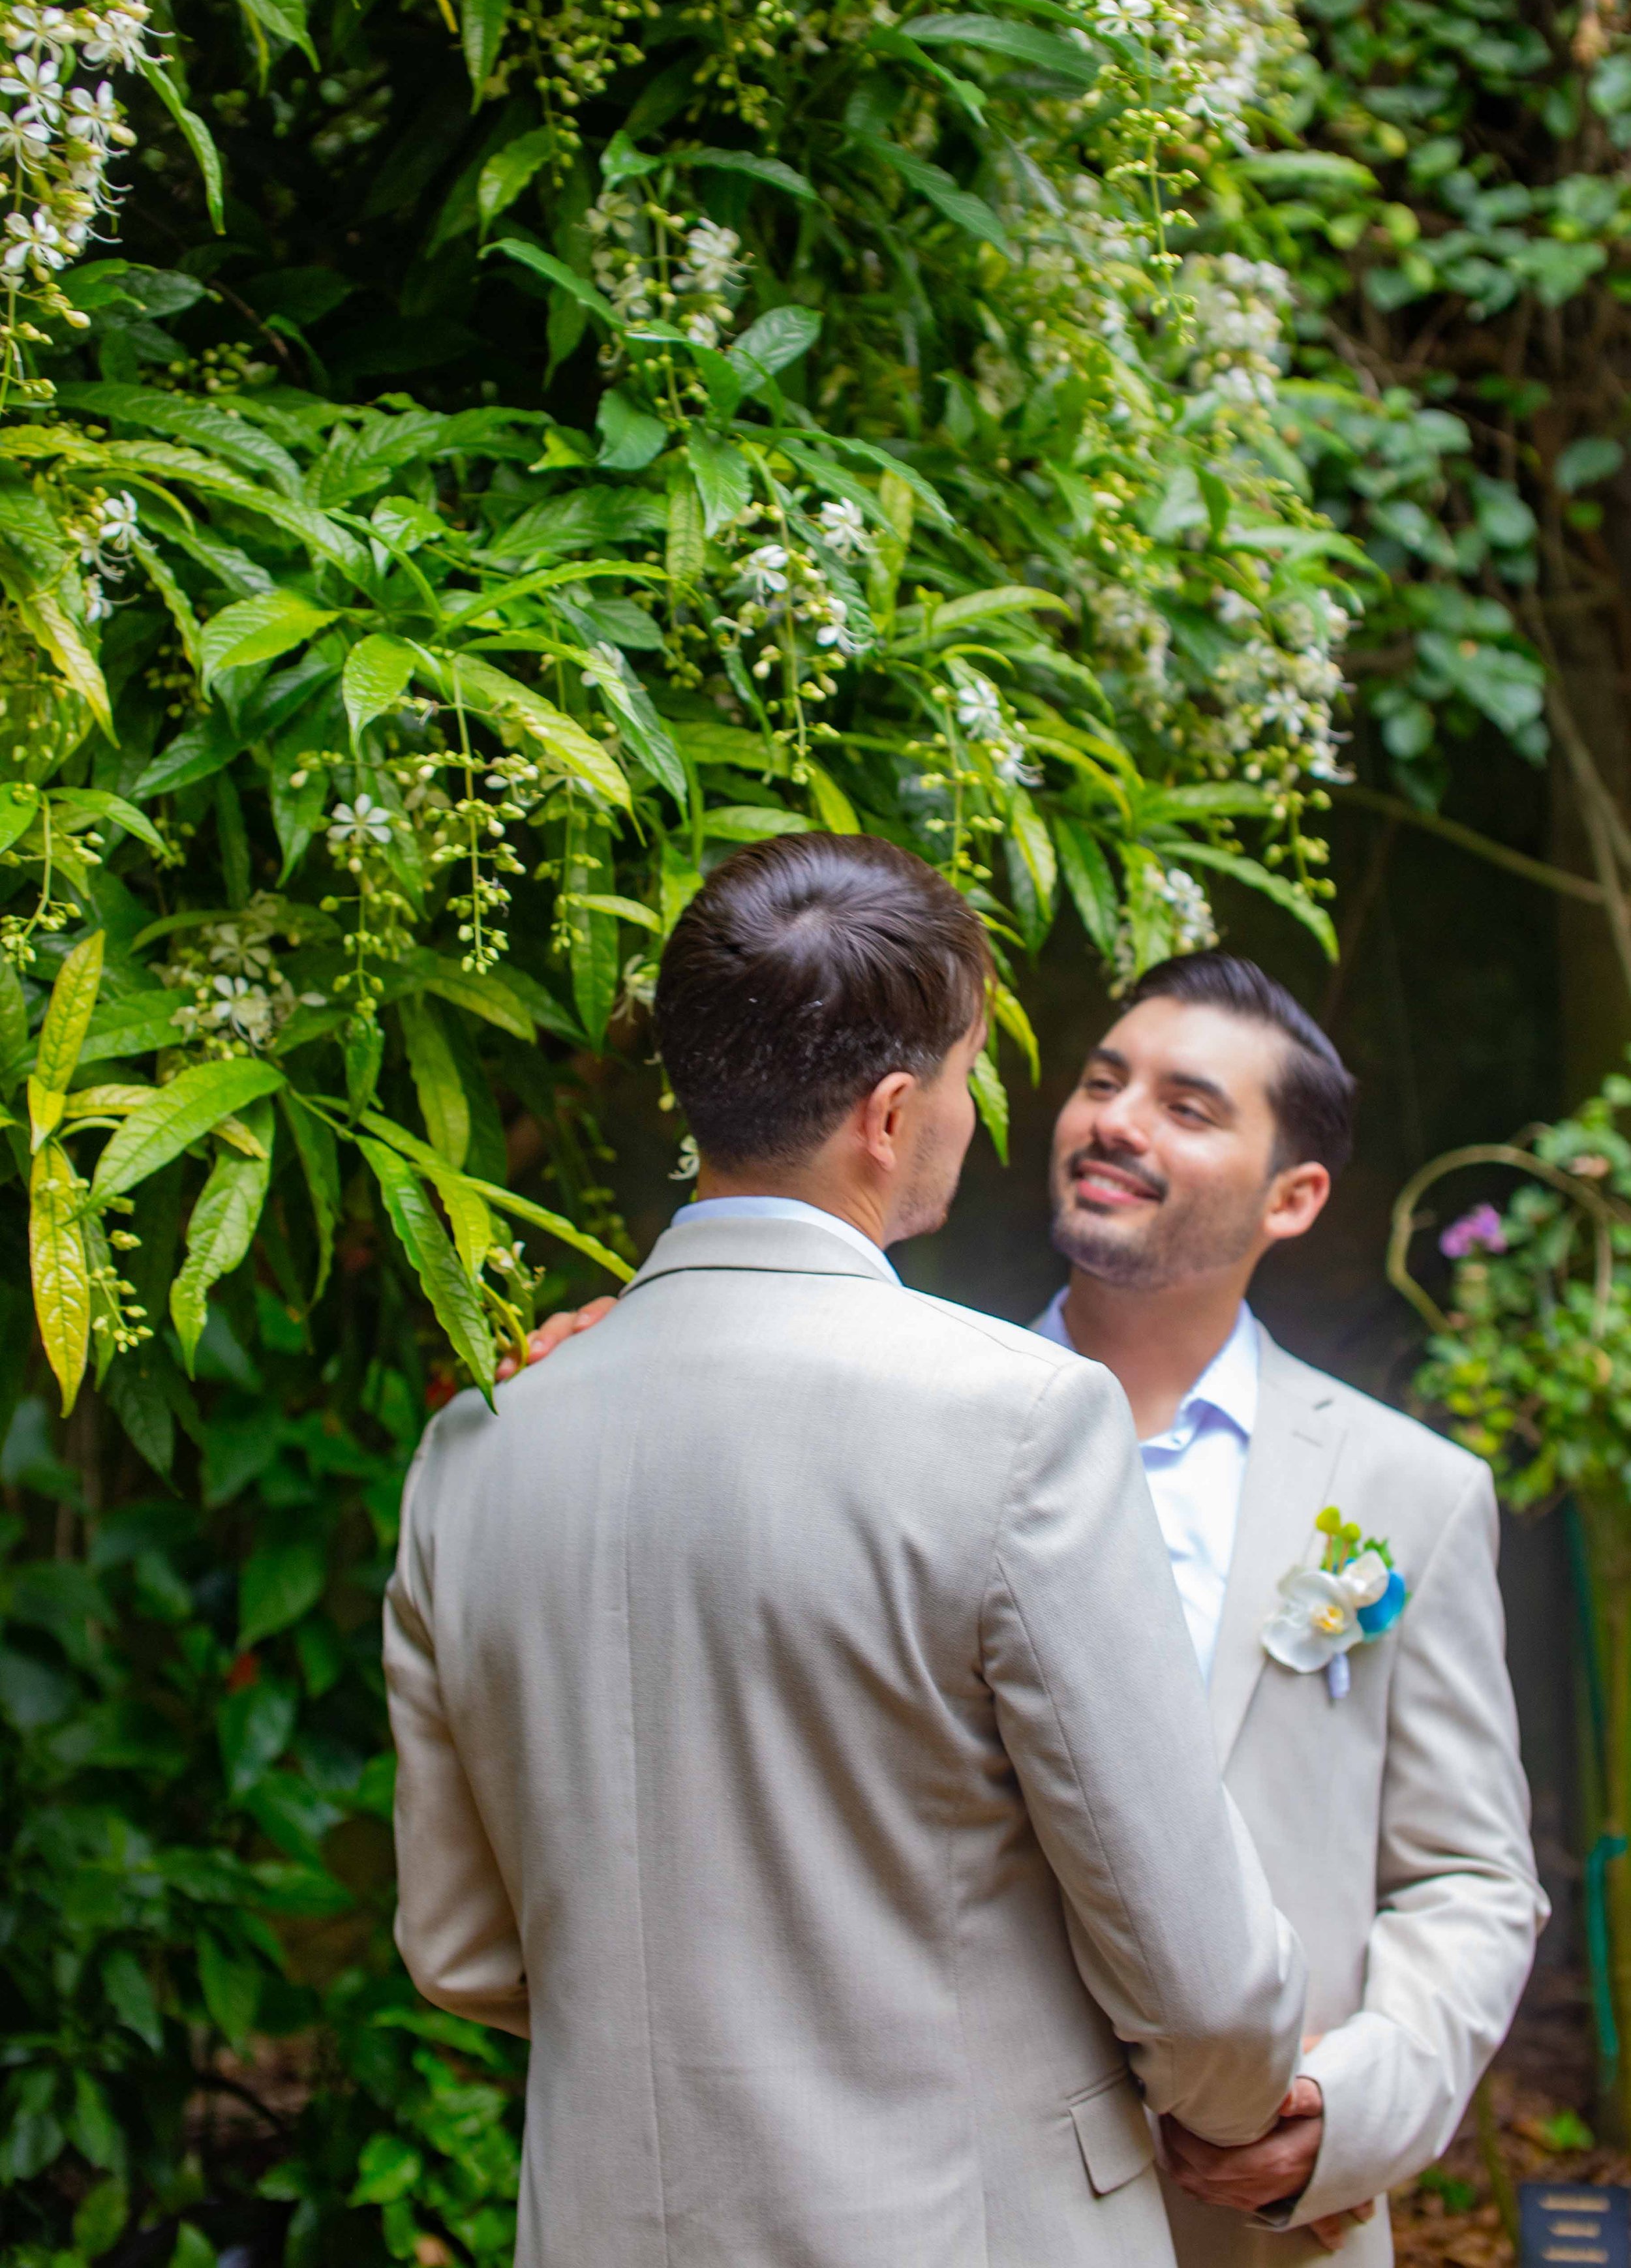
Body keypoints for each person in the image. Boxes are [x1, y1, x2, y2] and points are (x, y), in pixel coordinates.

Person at [526, 944, 1546, 2265]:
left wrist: (1341, 2107)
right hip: (948, 2201)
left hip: (1270, 2226)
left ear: (1293, 1196)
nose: (1112, 1120)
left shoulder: (1410, 1491)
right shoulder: (896, 1417)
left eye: (1185, 1106)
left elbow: (1468, 1877)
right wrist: (612, 1379)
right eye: (1101, 1081)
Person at [386, 835, 1307, 2268]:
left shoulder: (475, 1454)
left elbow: (456, 1947)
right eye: (957, 1078)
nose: (965, 1111)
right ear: (889, 1114)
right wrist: (1240, 2100)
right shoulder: (1018, 1420)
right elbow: (1191, 1977)